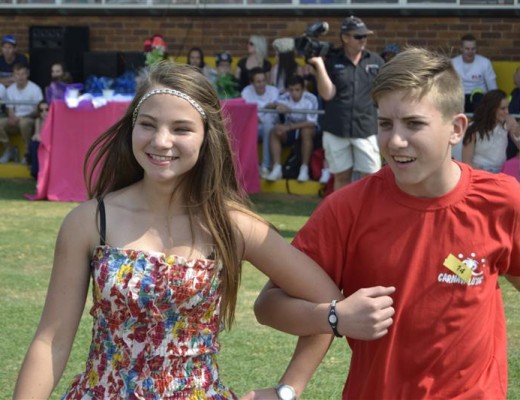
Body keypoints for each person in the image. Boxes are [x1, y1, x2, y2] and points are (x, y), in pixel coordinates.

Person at [12, 61, 346, 399]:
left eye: (181, 129)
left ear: (206, 136)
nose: (161, 141)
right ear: (131, 128)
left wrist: (287, 390)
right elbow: (51, 341)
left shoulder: (230, 225)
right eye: (148, 124)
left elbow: (330, 303)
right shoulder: (90, 221)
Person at [246, 47, 520, 400]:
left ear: (456, 129)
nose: (396, 140)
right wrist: (335, 317)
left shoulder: (501, 200)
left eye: (414, 124)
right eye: (385, 124)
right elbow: (268, 306)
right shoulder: (347, 208)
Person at [307, 15, 383, 191]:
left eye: (365, 36)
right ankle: (343, 209)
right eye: (358, 36)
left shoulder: (376, 61)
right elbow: (327, 94)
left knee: (371, 177)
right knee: (341, 177)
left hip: (365, 128)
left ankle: (367, 209)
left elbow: (385, 91)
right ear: (345, 38)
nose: (363, 40)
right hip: (336, 127)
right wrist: (319, 66)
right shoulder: (332, 60)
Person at [265, 75, 319, 182]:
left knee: (306, 132)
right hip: (289, 130)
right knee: (275, 131)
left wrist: (289, 126)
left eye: (297, 90)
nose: (294, 93)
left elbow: (311, 123)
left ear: (303, 89)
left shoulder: (311, 99)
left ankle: (304, 169)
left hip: (306, 129)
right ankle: (277, 167)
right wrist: (276, 106)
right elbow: (267, 106)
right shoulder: (284, 97)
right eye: (291, 90)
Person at [462, 89, 520, 173]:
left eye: (507, 108)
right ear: (491, 109)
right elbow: (466, 162)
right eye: (503, 108)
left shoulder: (506, 124)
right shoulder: (473, 128)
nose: (507, 112)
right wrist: (489, 176)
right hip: (478, 174)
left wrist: (517, 131)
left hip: (501, 173)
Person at [0, 63, 43, 164]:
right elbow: (10, 108)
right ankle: (9, 149)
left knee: (24, 123)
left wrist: (21, 117)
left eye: (23, 74)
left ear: (27, 74)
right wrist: (11, 117)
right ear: (13, 76)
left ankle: (28, 153)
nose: (20, 77)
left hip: (29, 119)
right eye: (17, 74)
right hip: (15, 119)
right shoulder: (10, 90)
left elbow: (37, 111)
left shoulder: (35, 89)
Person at [241, 67, 279, 178]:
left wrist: (259, 114)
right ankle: (252, 167)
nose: (262, 84)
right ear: (252, 83)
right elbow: (249, 115)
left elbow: (273, 115)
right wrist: (266, 108)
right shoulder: (246, 92)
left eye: (263, 80)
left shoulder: (273, 91)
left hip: (270, 126)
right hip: (254, 126)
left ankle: (265, 166)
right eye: (258, 81)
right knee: (248, 129)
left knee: (267, 124)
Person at [451, 33, 497, 113]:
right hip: (460, 98)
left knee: (477, 97)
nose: (470, 52)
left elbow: (493, 88)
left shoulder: (485, 62)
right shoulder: (453, 63)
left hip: (479, 98)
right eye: (467, 49)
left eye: (473, 49)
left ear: (476, 49)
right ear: (461, 49)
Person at [26, 99, 49, 179]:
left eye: (46, 109)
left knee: (34, 145)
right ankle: (35, 170)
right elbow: (37, 134)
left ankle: (34, 169)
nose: (44, 112)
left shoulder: (53, 120)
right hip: (41, 142)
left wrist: (39, 138)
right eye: (41, 110)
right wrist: (37, 137)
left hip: (50, 143)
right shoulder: (38, 120)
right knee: (33, 143)